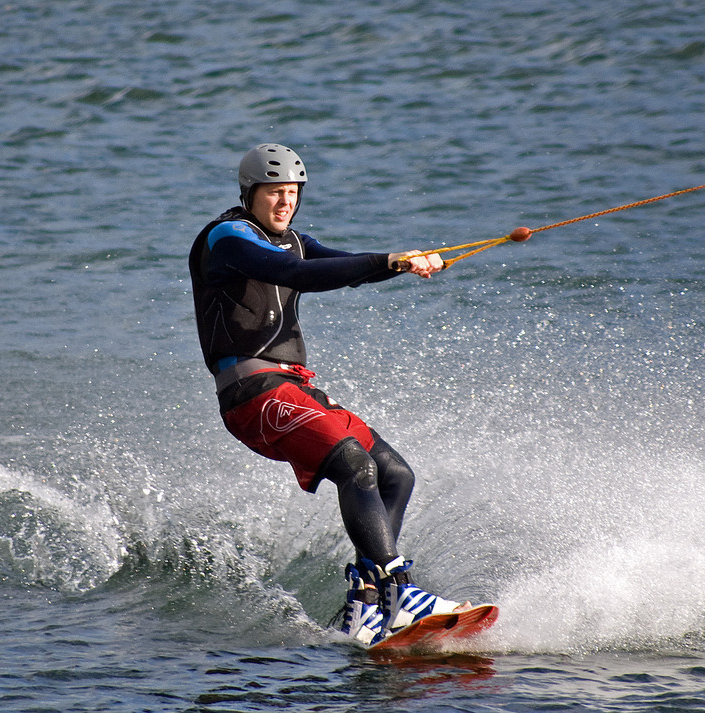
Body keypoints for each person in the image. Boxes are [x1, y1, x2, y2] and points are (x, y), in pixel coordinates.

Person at [188, 143, 531, 644]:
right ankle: (401, 591)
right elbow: (293, 275)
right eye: (273, 194)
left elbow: (340, 266)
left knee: (395, 475)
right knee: (356, 466)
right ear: (250, 194)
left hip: (291, 387)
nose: (284, 203)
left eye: (292, 193)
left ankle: (366, 605)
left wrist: (403, 263)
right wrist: (388, 259)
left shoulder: (296, 242)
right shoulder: (227, 237)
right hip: (251, 393)